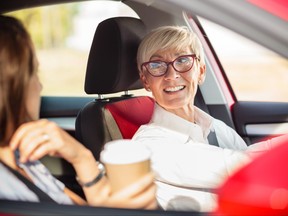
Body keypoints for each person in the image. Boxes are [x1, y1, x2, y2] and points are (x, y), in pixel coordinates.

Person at [0, 15, 156, 209]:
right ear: (10, 86)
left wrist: (82, 157)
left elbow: (84, 208)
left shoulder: (24, 160)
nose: (39, 86)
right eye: (33, 73)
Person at [132, 25, 285, 212]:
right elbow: (241, 167)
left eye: (182, 61)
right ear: (146, 81)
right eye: (156, 65)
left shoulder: (218, 128)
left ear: (201, 72)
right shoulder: (148, 145)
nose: (172, 75)